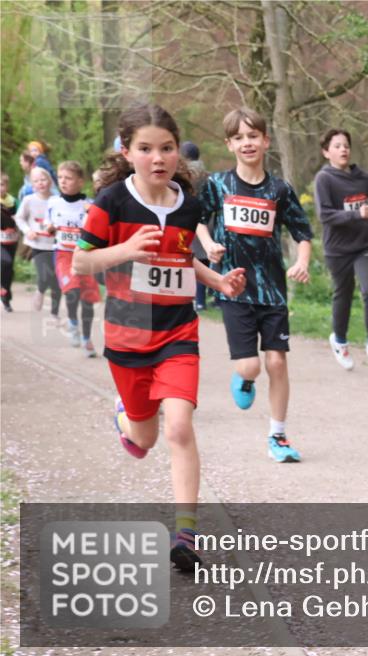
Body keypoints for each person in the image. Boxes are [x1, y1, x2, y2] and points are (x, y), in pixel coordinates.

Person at [73, 103, 246, 571]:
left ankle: (186, 535)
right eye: (146, 149)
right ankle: (126, 419)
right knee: (144, 438)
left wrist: (217, 281)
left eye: (166, 148)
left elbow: (181, 258)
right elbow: (80, 262)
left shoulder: (188, 205)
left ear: (177, 152)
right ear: (127, 153)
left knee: (179, 427)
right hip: (128, 337)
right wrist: (125, 249)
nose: (158, 158)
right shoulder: (111, 202)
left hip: (177, 332)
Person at [197, 107, 313, 463]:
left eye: (253, 136)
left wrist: (302, 262)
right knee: (251, 367)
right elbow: (197, 221)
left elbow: (302, 232)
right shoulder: (218, 184)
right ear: (230, 145)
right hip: (234, 288)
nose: (247, 143)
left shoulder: (279, 189)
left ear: (265, 141)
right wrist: (207, 244)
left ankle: (278, 436)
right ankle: (244, 378)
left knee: (277, 362)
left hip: (273, 290)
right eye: (239, 138)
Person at [314, 128, 368, 371]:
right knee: (343, 294)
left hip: (364, 245)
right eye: (337, 146)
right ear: (326, 152)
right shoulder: (324, 179)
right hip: (337, 249)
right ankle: (339, 340)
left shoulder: (363, 179)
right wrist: (354, 214)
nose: (343, 149)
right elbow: (325, 215)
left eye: (346, 145)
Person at [49, 161, 101, 356]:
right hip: (63, 254)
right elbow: (50, 222)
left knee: (87, 300)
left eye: (68, 178)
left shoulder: (89, 206)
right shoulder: (53, 202)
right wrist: (49, 228)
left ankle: (87, 339)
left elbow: (97, 230)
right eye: (60, 177)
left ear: (80, 182)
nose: (63, 181)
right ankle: (72, 322)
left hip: (85, 256)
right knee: (72, 291)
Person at [15, 167, 61, 320]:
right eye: (36, 181)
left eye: (43, 179)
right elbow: (19, 218)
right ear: (32, 185)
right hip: (37, 244)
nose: (40, 183)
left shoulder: (57, 199)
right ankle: (40, 291)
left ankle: (54, 314)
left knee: (56, 280)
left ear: (50, 181)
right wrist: (28, 230)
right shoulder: (29, 200)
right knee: (44, 276)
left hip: (55, 245)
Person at [181, 141, 210, 310]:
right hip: (207, 222)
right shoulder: (207, 175)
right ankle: (203, 300)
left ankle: (194, 299)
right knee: (205, 260)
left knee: (191, 260)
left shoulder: (183, 176)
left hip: (189, 221)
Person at [1, 172, 18, 311]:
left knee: (9, 269)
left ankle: (6, 298)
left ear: (7, 186)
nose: (0, 188)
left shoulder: (13, 201)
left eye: (2, 184)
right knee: (4, 262)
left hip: (11, 240)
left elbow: (21, 217)